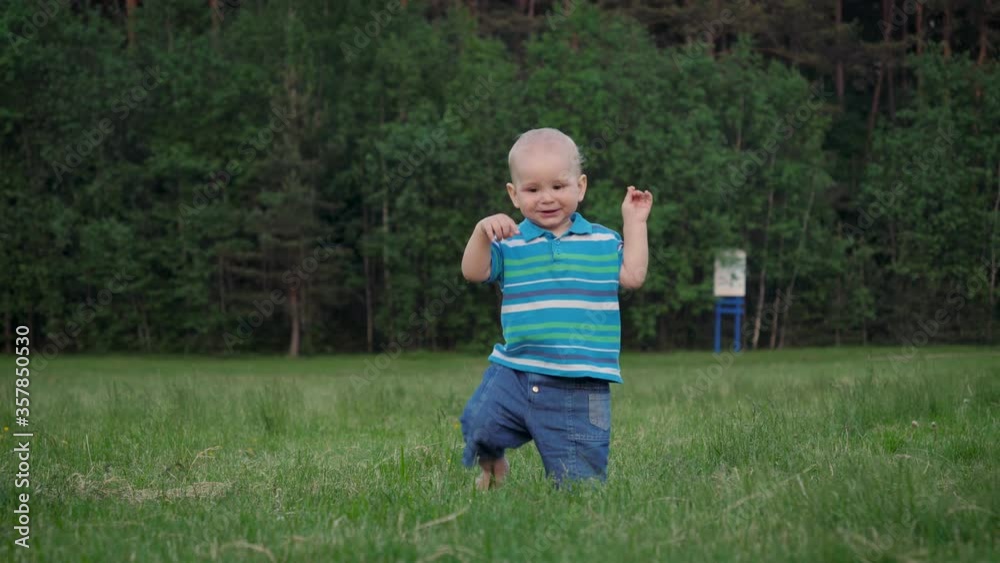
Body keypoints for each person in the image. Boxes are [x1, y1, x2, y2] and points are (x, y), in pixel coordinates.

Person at [459, 127, 652, 488]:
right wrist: (481, 233)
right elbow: (473, 272)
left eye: (559, 186)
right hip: (516, 371)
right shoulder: (510, 243)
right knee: (478, 424)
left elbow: (633, 276)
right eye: (533, 190)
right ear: (514, 195)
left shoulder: (602, 240)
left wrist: (635, 222)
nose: (546, 198)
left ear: (580, 186)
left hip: (581, 382)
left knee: (579, 485)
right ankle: (493, 465)